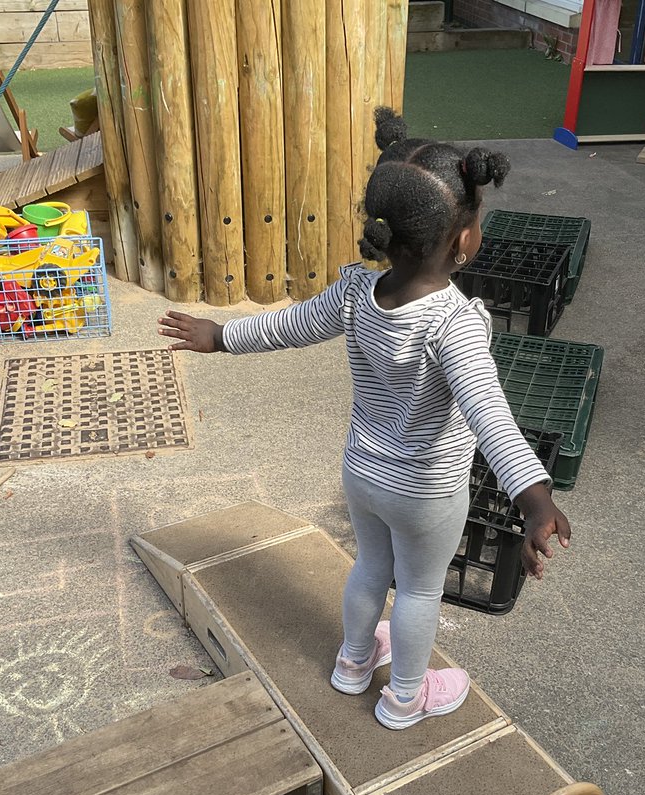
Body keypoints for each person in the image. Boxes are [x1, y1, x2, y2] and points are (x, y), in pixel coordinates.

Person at [159, 108, 571, 727]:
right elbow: (490, 415)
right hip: (426, 490)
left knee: (371, 568)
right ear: (463, 240)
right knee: (420, 590)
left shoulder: (356, 291)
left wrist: (220, 336)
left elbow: (288, 326)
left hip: (363, 472)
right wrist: (535, 500)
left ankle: (353, 663)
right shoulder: (454, 323)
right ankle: (405, 697)